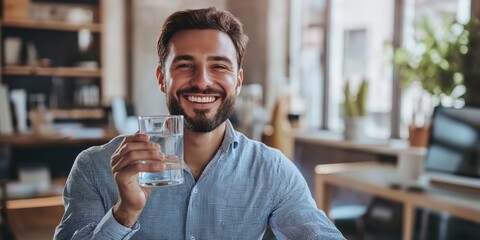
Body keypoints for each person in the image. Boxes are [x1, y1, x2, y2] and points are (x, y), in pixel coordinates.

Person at [54, 7, 344, 239]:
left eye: (219, 66)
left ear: (238, 81)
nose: (202, 81)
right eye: (185, 65)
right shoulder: (94, 167)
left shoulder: (273, 171)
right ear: (161, 79)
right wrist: (125, 212)